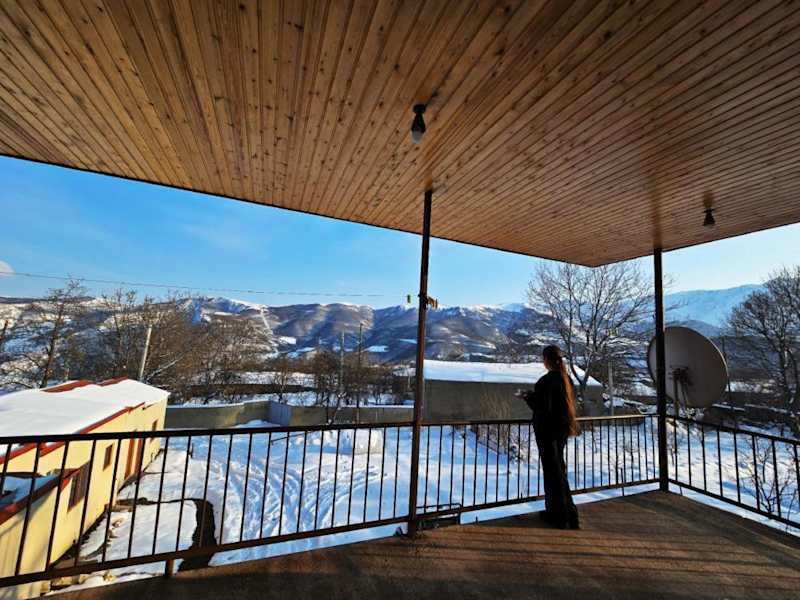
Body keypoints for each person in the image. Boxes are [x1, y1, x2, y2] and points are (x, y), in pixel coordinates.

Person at [520, 345, 580, 529]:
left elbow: (541, 406)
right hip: (561, 431)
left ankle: (559, 516)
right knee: (559, 471)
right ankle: (569, 514)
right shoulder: (566, 379)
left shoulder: (546, 381)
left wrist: (527, 397)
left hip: (547, 432)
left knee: (552, 473)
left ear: (546, 360)